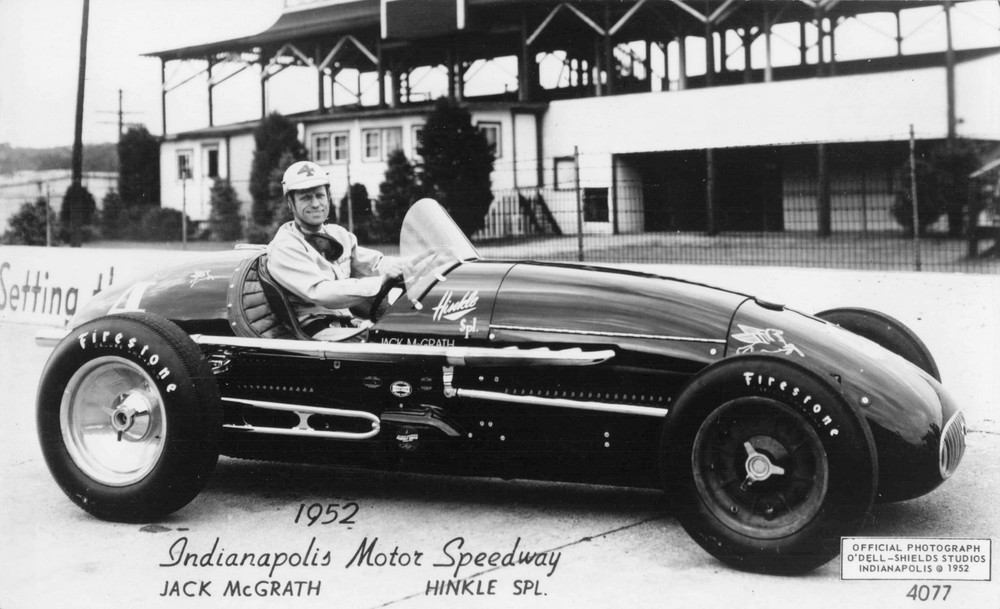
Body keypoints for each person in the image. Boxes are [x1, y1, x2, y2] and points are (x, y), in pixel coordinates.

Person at [266, 160, 408, 340]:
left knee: (408, 332)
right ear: (290, 202)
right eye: (306, 198)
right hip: (314, 333)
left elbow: (375, 263)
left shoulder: (338, 234)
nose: (316, 204)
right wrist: (380, 282)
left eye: (320, 195)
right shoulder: (285, 246)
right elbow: (321, 292)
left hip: (346, 323)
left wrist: (420, 263)